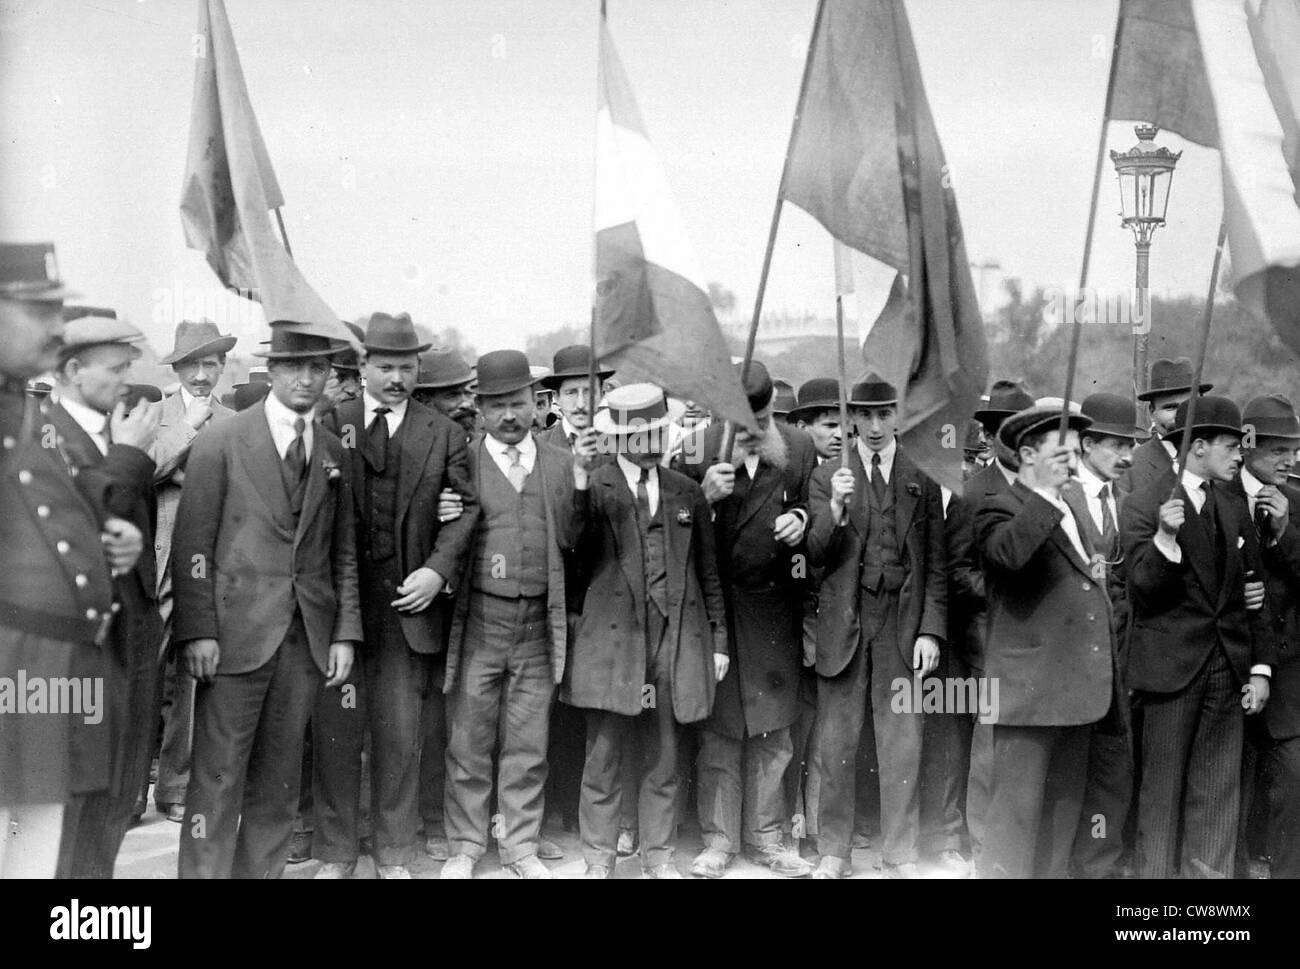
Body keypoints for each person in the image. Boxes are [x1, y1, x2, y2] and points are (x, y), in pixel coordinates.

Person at [172, 325, 362, 879]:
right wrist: (198, 629)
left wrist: (345, 632)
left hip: (304, 641)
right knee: (217, 780)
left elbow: (342, 550)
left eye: (318, 369)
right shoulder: (222, 441)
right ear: (273, 371)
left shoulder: (331, 450)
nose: (306, 379)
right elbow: (193, 544)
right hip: (232, 640)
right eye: (294, 368)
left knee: (278, 783)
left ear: (329, 375)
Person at [310, 312, 478, 879]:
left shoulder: (444, 432)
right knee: (338, 734)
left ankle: (395, 854)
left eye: (407, 367)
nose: (397, 377)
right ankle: (336, 854)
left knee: (401, 739)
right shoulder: (334, 423)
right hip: (342, 613)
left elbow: (466, 509)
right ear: (362, 368)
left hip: (410, 609)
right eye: (385, 367)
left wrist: (437, 570)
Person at [0, 242, 144, 877]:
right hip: (17, 661)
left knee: (42, 838)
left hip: (59, 658)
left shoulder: (24, 409)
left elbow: (54, 504)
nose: (56, 330)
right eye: (37, 312)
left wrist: (111, 533)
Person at [564, 383, 729, 878]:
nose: (652, 440)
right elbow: (573, 553)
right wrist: (577, 483)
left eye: (659, 430)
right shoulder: (594, 486)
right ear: (616, 437)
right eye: (641, 433)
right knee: (604, 754)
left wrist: (718, 641)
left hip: (672, 637)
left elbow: (708, 573)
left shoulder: (686, 490)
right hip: (612, 643)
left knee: (664, 754)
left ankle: (658, 858)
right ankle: (599, 859)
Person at [440, 350, 593, 879]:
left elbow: (575, 541)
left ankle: (519, 847)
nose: (510, 415)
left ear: (537, 403)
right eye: (498, 405)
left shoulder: (557, 460)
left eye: (519, 403)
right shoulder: (461, 460)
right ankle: (464, 844)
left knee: (528, 745)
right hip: (481, 622)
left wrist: (579, 486)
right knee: (469, 740)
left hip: (536, 627)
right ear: (480, 408)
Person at [1121, 395, 1277, 878]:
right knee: (1163, 793)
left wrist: (1259, 668)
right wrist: (1165, 540)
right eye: (1231, 447)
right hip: (1171, 673)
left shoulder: (1234, 506)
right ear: (1199, 446)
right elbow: (1142, 594)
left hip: (1228, 672)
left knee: (1217, 794)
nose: (1239, 457)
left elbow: (1256, 591)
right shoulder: (1147, 504)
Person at [805, 375, 947, 879]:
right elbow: (814, 557)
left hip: (902, 625)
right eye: (863, 416)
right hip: (846, 622)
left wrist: (931, 630)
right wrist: (836, 510)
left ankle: (900, 854)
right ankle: (833, 853)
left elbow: (935, 563)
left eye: (884, 414)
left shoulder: (922, 476)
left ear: (898, 417)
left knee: (901, 744)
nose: (873, 425)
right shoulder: (828, 477)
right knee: (837, 744)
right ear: (851, 420)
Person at [681, 361, 815, 878]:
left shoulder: (798, 448)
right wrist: (702, 499)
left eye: (760, 422)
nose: (752, 434)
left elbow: (815, 507)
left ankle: (766, 839)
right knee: (719, 730)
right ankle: (718, 840)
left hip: (773, 610)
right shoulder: (696, 447)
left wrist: (801, 520)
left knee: (772, 731)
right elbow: (672, 531)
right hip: (715, 612)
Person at [974, 404, 1116, 878]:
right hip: (1028, 691)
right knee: (1014, 823)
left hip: (1075, 691)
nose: (1070, 465)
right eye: (1061, 455)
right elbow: (1007, 557)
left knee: (1060, 818)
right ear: (1028, 454)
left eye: (1074, 455)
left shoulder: (1070, 501)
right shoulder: (1000, 502)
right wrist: (1043, 495)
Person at [46, 314, 162, 877]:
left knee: (116, 801)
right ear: (72, 369)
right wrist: (131, 458)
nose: (126, 378)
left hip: (130, 645)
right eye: (116, 368)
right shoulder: (38, 435)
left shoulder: (113, 434)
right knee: (71, 814)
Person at [149, 318, 237, 824]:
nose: (202, 374)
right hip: (154, 564)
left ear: (223, 366)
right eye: (193, 364)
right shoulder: (153, 415)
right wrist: (188, 429)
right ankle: (129, 787)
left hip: (205, 568)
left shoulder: (234, 422)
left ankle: (176, 786)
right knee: (142, 680)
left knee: (191, 681)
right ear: (177, 367)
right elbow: (146, 468)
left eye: (211, 363)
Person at [950, 378, 1035, 861]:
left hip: (1037, 637)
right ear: (990, 435)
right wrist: (1001, 594)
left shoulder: (1043, 489)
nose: (1016, 440)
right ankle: (983, 843)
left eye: (1026, 432)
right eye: (1005, 430)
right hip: (990, 635)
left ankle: (1018, 841)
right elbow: (958, 570)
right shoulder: (973, 491)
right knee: (988, 744)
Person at [1060, 392, 1140, 879]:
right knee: (1069, 766)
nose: (1127, 455)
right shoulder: (1060, 496)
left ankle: (1099, 864)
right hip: (1069, 658)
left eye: (1131, 445)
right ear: (1087, 444)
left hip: (1119, 656)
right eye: (1115, 445)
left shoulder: (1127, 504)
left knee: (1113, 764)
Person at [1230, 394, 1300, 878]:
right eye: (1278, 450)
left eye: (1294, 450)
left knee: (1292, 779)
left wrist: (1284, 533)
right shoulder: (1220, 492)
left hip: (1290, 670)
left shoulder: (1296, 501)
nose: (1289, 460)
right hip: (1231, 662)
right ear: (1249, 444)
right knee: (1230, 784)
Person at [1120, 357, 1213, 496]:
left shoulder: (1219, 458)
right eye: (1170, 408)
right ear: (1152, 412)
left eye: (1190, 406)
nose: (1182, 415)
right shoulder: (1131, 468)